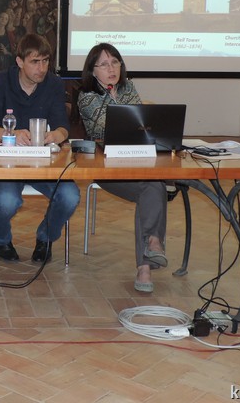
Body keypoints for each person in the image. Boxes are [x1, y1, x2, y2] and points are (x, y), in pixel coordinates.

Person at [77, 42, 168, 293]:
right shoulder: (87, 96)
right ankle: (151, 250)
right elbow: (111, 127)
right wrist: (137, 121)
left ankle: (147, 261)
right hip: (106, 168)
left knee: (154, 185)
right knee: (155, 188)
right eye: (104, 64)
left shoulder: (128, 89)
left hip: (137, 162)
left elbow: (141, 125)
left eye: (115, 62)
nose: (111, 69)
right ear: (92, 70)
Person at [0, 33, 80, 262]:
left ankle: (45, 237)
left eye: (45, 61)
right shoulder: (0, 81)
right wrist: (11, 134)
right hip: (6, 163)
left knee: (70, 196)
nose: (42, 68)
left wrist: (55, 135)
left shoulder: (54, 84)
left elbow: (63, 128)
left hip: (43, 163)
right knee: (7, 202)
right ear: (19, 61)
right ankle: (1, 239)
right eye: (35, 62)